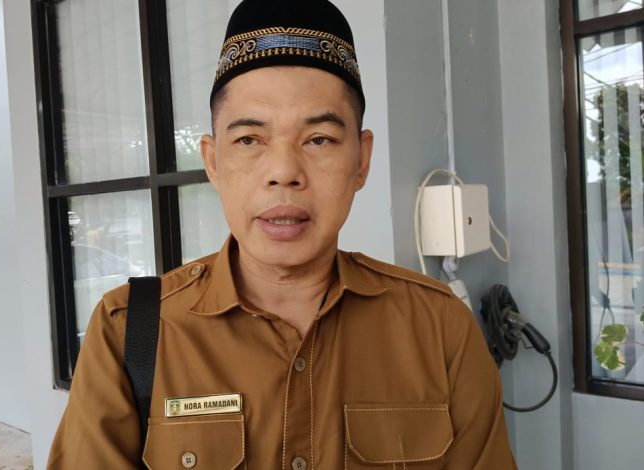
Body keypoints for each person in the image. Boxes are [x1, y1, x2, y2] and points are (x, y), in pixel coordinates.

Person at [48, 0, 517, 468]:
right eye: (249, 139)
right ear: (212, 161)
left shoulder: (441, 329)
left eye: (319, 139)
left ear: (361, 160)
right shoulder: (129, 334)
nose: (284, 172)